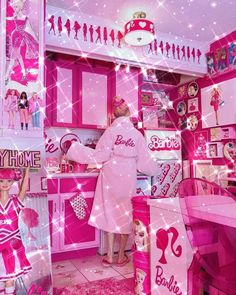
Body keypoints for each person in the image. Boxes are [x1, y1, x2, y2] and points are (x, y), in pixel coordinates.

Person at [66, 96, 159, 267]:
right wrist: (157, 170)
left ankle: (109, 255)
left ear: (115, 115)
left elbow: (100, 155)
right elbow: (144, 161)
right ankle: (121, 255)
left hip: (110, 173)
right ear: (129, 112)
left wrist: (75, 150)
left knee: (109, 213)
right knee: (125, 214)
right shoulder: (137, 135)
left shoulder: (110, 132)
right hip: (128, 175)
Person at [0, 167, 31, 295]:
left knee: (9, 278)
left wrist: (27, 171)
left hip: (13, 245)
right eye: (1, 181)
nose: (5, 184)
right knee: (5, 278)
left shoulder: (15, 202)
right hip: (1, 245)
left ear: (12, 181)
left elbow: (23, 190)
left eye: (8, 180)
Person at [5, 0, 39, 85]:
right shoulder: (15, 16)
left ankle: (7, 76)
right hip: (15, 35)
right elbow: (9, 18)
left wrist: (36, 38)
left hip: (20, 36)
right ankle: (19, 75)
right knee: (17, 56)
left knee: (16, 56)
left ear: (20, 7)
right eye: (14, 7)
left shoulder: (25, 17)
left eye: (16, 7)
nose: (15, 8)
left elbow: (30, 29)